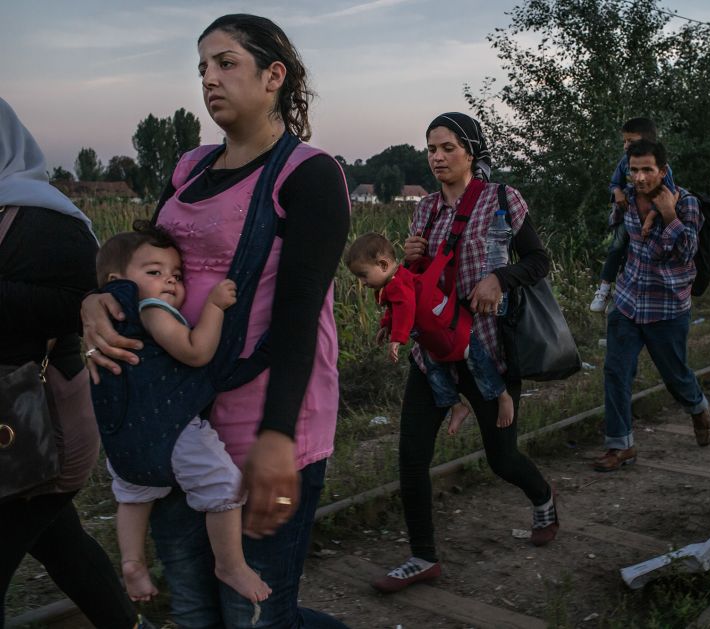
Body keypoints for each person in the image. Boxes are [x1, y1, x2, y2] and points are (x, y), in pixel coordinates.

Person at [81, 14, 350, 629]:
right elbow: (136, 259)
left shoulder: (307, 174)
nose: (210, 78)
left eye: (226, 62)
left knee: (256, 608)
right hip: (177, 418)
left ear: (273, 75)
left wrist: (278, 437)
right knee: (195, 605)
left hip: (265, 412)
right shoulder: (189, 168)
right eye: (203, 66)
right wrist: (96, 300)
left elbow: (300, 313)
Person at [371, 112, 559, 594]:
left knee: (501, 459)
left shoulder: (502, 199)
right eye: (431, 149)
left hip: (489, 350)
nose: (436, 157)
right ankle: (422, 557)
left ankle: (542, 496)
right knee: (411, 457)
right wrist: (411, 260)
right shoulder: (425, 209)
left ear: (471, 151)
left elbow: (539, 260)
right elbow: (418, 282)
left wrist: (500, 278)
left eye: (447, 147)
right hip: (433, 354)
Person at [0, 98, 150, 628]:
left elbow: (89, 304)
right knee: (64, 547)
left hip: (43, 426)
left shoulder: (45, 220)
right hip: (15, 430)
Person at [95, 223, 271, 604]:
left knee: (133, 494)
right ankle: (231, 564)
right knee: (224, 484)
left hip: (124, 438)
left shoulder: (108, 322)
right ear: (117, 281)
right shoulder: (151, 309)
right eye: (154, 272)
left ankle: (132, 562)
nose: (170, 283)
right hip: (169, 426)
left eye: (176, 275)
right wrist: (213, 306)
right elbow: (195, 351)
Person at [597, 139, 710, 473]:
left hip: (667, 307)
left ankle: (698, 407)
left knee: (675, 375)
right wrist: (617, 202)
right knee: (616, 372)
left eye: (647, 169)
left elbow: (686, 251)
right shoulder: (629, 197)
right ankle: (621, 445)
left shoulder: (686, 202)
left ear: (663, 170)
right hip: (629, 301)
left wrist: (668, 214)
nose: (641, 177)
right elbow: (617, 234)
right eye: (634, 170)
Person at [344, 231, 514, 434]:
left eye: (363, 275)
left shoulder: (398, 284)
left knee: (478, 362)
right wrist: (386, 326)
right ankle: (456, 406)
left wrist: (397, 339)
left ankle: (502, 395)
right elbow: (394, 309)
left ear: (382, 265)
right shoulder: (392, 283)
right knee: (433, 370)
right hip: (433, 335)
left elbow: (405, 307)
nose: (362, 282)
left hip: (451, 330)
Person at [589, 117, 676, 312]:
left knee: (643, 255)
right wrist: (618, 193)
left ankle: (645, 294)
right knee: (617, 246)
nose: (626, 145)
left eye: (631, 141)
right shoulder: (624, 162)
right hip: (629, 214)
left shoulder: (663, 168)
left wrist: (651, 219)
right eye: (625, 141)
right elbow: (614, 184)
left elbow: (669, 194)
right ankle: (604, 289)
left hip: (652, 218)